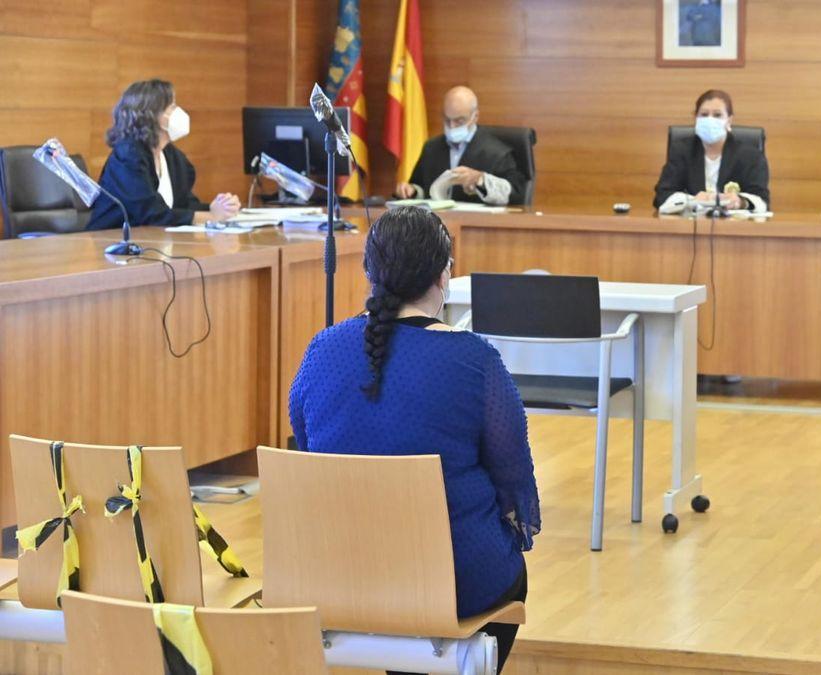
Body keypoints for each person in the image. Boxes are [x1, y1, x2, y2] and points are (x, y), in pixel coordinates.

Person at [288, 206, 539, 674]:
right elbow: (514, 484)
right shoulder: (475, 361)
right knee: (504, 563)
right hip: (454, 581)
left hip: (342, 569)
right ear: (444, 274)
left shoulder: (322, 350)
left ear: (369, 272)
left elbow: (307, 454)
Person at [87, 79, 240, 230]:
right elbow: (150, 213)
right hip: (112, 242)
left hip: (154, 242)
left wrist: (221, 208)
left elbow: (183, 205)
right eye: (172, 106)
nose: (179, 112)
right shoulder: (128, 155)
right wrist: (211, 216)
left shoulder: (171, 155)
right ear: (151, 114)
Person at [395, 86, 526, 206]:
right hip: (436, 225)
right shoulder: (432, 148)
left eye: (459, 121)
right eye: (447, 120)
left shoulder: (497, 152)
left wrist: (480, 179)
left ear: (475, 117)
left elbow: (515, 195)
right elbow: (421, 188)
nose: (452, 127)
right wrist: (411, 191)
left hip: (477, 225)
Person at [654, 89, 769, 214]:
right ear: (695, 118)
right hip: (690, 226)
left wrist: (741, 201)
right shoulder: (682, 151)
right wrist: (692, 200)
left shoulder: (750, 156)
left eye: (717, 115)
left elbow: (762, 201)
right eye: (704, 115)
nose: (710, 120)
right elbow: (662, 196)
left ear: (729, 120)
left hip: (735, 227)